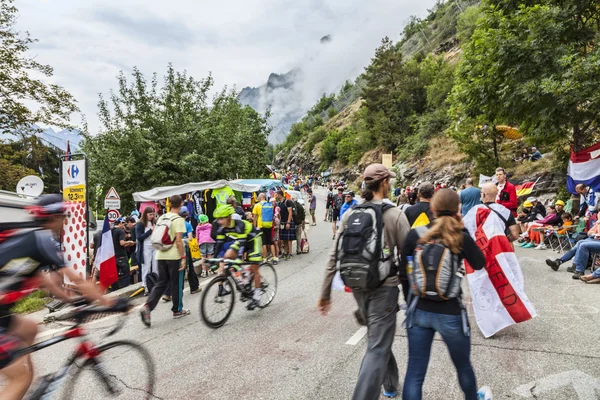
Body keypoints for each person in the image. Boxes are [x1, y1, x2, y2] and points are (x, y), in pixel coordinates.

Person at [0, 195, 119, 399]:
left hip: (2, 312)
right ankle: (19, 382)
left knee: (30, 329)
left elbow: (47, 282)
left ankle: (26, 388)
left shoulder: (30, 238)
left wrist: (71, 300)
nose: (65, 221)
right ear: (53, 217)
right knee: (19, 376)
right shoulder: (43, 239)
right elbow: (78, 280)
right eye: (64, 216)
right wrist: (111, 302)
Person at [318, 164, 410, 400]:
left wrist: (325, 293)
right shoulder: (395, 214)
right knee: (378, 345)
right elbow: (410, 257)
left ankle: (389, 385)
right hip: (385, 289)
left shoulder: (350, 214)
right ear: (383, 184)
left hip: (358, 286)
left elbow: (334, 255)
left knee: (377, 337)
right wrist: (413, 295)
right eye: (388, 181)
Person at [401, 189, 487, 400]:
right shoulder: (460, 236)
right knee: (463, 367)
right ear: (458, 209)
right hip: (450, 311)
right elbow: (479, 263)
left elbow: (403, 273)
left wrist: (410, 300)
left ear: (432, 208)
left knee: (415, 372)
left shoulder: (416, 235)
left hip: (419, 310)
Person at [140, 195, 190, 327]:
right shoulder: (178, 219)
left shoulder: (162, 217)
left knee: (161, 283)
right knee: (176, 283)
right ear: (181, 203)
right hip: (173, 256)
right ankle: (177, 310)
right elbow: (178, 241)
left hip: (160, 254)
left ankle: (148, 307)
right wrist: (183, 257)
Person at [212, 205, 263, 310]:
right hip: (241, 241)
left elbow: (242, 245)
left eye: (221, 218)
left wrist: (239, 259)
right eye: (218, 219)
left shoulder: (239, 225)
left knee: (254, 267)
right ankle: (243, 279)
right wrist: (213, 259)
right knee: (227, 256)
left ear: (229, 217)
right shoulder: (222, 229)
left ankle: (257, 296)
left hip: (254, 240)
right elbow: (219, 244)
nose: (219, 221)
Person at [135, 206, 157, 295]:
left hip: (155, 246)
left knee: (156, 266)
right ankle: (145, 286)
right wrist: (150, 231)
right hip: (145, 246)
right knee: (146, 267)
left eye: (153, 214)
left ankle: (155, 285)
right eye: (150, 214)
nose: (152, 216)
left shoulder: (153, 222)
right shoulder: (140, 224)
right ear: (145, 214)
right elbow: (139, 237)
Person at [252, 193, 278, 264]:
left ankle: (265, 258)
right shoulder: (270, 205)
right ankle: (274, 257)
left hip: (261, 226)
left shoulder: (257, 205)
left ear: (260, 198)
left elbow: (254, 218)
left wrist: (254, 228)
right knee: (271, 242)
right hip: (269, 225)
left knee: (264, 243)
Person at [180, 207, 200, 294]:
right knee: (189, 268)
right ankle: (194, 287)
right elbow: (190, 238)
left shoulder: (173, 223)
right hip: (185, 248)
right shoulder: (187, 225)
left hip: (174, 248)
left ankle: (170, 292)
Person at [112, 218, 135, 290]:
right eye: (124, 224)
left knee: (114, 274)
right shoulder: (120, 231)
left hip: (112, 255)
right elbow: (122, 243)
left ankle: (114, 291)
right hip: (121, 255)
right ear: (120, 223)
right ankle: (124, 289)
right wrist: (129, 242)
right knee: (126, 274)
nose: (124, 226)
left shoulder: (110, 231)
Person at [276, 190, 296, 260]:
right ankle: (285, 252)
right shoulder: (279, 203)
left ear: (280, 195)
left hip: (287, 222)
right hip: (282, 222)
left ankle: (290, 253)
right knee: (283, 239)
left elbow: (290, 212)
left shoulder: (287, 202)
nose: (276, 196)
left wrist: (288, 222)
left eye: (277, 195)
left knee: (289, 239)